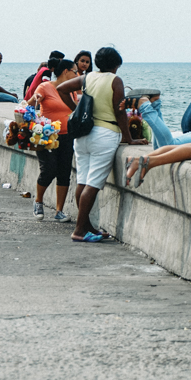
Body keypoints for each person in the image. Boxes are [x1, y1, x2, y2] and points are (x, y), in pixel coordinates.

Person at [56, 47, 146, 243]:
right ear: (115, 65)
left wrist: (77, 110)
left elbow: (60, 89)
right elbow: (120, 111)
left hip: (83, 135)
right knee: (93, 184)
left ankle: (86, 224)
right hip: (105, 135)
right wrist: (129, 138)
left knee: (83, 180)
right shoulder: (115, 81)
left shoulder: (87, 78)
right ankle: (79, 230)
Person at [27, 59, 78, 222]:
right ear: (65, 71)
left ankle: (59, 211)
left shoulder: (72, 91)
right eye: (74, 71)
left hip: (67, 135)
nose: (77, 75)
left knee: (64, 172)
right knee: (48, 169)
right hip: (47, 136)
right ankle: (38, 201)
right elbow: (29, 104)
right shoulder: (45, 86)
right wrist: (36, 97)